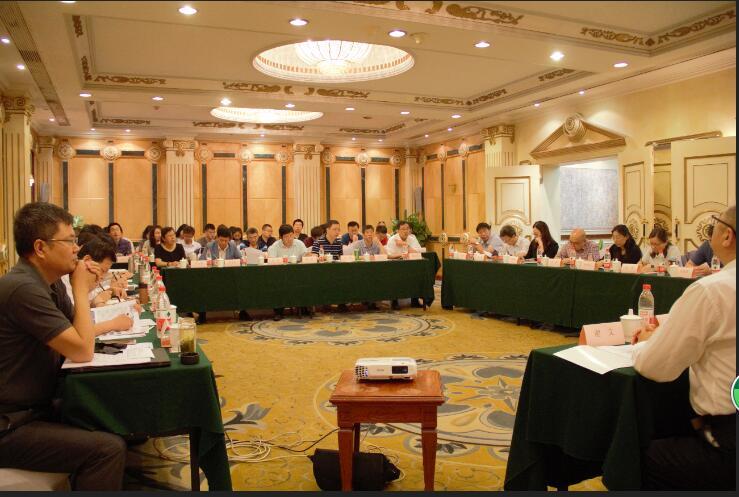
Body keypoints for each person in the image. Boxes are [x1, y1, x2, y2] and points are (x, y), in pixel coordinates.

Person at [0, 202, 128, 490]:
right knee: (107, 450)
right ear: (40, 248)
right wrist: (81, 289)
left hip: (37, 405)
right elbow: (82, 350)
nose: (76, 249)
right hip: (11, 424)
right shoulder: (22, 288)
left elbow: (79, 332)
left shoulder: (51, 283)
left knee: (112, 412)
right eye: (69, 241)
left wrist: (84, 285)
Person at [632, 206, 735, 490]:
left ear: (727, 236)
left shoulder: (712, 290)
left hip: (727, 443)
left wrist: (648, 342)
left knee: (632, 458)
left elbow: (655, 367)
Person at [198, 225, 247, 323]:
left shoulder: (232, 245)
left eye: (226, 240)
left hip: (229, 276)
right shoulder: (210, 246)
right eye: (221, 240)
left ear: (229, 239)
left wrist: (238, 261)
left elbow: (241, 259)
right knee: (202, 285)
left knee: (242, 284)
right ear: (217, 238)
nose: (224, 243)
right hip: (212, 276)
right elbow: (201, 261)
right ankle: (202, 314)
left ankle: (242, 312)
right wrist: (212, 262)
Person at [268, 224, 310, 320]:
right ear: (281, 237)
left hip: (298, 275)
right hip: (280, 276)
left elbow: (306, 256)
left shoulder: (299, 243)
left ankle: (304, 307)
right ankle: (278, 312)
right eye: (286, 236)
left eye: (291, 235)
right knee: (277, 285)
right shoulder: (275, 246)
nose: (290, 238)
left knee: (306, 280)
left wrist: (308, 255)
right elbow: (271, 261)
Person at [386, 221, 423, 310]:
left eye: (407, 229)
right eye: (403, 229)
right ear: (398, 231)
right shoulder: (392, 239)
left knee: (418, 274)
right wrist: (401, 255)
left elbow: (418, 253)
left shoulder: (412, 238)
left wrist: (405, 245)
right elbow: (388, 255)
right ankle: (394, 301)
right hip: (395, 265)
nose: (405, 231)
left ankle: (414, 300)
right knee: (395, 275)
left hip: (410, 265)